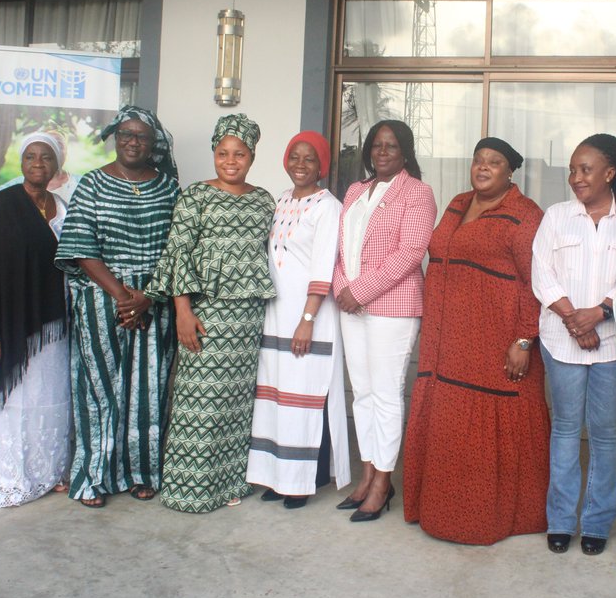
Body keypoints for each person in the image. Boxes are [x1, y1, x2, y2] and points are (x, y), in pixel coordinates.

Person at [402, 137, 549, 544]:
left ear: (510, 171)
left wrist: (524, 339)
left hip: (495, 340)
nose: (483, 168)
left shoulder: (524, 214)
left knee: (490, 423)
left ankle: (491, 518)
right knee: (448, 422)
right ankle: (438, 511)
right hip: (447, 339)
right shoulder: (456, 203)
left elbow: (534, 283)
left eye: (494, 162)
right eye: (478, 160)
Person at [146, 113, 275, 513]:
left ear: (252, 155)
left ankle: (229, 481)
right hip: (207, 313)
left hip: (248, 316)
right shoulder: (195, 196)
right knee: (198, 399)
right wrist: (183, 311)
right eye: (223, 153)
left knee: (237, 402)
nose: (231, 161)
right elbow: (177, 254)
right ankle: (191, 488)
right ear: (213, 154)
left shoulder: (264, 200)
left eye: (239, 153)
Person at [55, 106, 180, 508]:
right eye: (125, 133)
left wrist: (149, 297)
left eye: (141, 136)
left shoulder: (168, 188)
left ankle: (143, 472)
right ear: (115, 137)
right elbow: (79, 247)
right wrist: (123, 296)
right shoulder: (91, 184)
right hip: (101, 298)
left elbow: (177, 249)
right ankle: (94, 475)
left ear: (153, 143)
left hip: (154, 301)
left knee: (149, 389)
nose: (132, 141)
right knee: (99, 388)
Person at [531, 133, 616, 555]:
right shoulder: (556, 216)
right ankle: (560, 520)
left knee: (606, 433)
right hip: (560, 339)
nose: (576, 177)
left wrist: (600, 312)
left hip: (612, 342)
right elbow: (542, 273)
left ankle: (596, 522)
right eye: (573, 170)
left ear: (610, 173)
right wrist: (576, 321)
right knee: (565, 430)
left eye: (586, 169)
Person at [0, 131, 72, 508]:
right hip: (6, 325)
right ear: (21, 164)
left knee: (45, 398)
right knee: (11, 404)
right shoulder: (2, 206)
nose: (38, 164)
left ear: (58, 165)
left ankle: (45, 472)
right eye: (31, 157)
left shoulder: (64, 206)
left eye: (46, 158)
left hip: (50, 328)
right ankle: (4, 477)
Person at [333, 119, 437, 522]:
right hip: (351, 305)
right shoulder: (356, 191)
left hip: (391, 306)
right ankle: (368, 472)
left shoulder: (418, 193)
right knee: (361, 392)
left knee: (387, 394)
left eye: (391, 146)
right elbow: (342, 249)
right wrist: (344, 287)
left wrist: (359, 291)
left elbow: (410, 253)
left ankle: (383, 480)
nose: (382, 152)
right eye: (376, 145)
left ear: (405, 152)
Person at [245, 131, 350, 509]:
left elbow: (323, 265)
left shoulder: (328, 207)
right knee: (274, 397)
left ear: (322, 166)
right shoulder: (281, 201)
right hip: (275, 314)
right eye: (295, 157)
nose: (301, 165)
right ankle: (277, 476)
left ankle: (302, 481)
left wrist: (307, 319)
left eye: (310, 159)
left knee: (304, 398)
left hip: (310, 315)